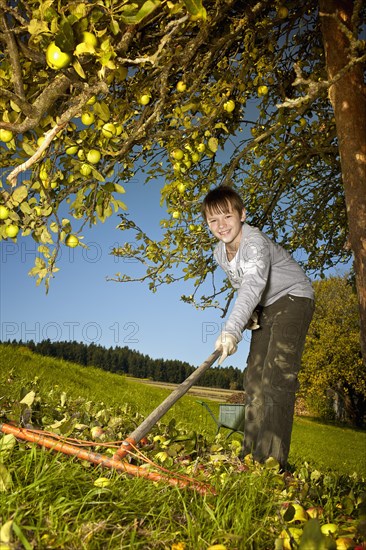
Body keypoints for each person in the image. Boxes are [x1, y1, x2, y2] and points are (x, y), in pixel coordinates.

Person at [202, 185, 315, 470]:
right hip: (265, 307)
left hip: (293, 299)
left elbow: (253, 283)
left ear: (242, 215)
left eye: (227, 216)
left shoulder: (254, 243)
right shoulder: (219, 252)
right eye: (213, 220)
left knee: (276, 378)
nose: (221, 225)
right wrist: (251, 313)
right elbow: (241, 285)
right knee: (253, 380)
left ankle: (271, 464)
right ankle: (248, 455)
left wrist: (232, 330)